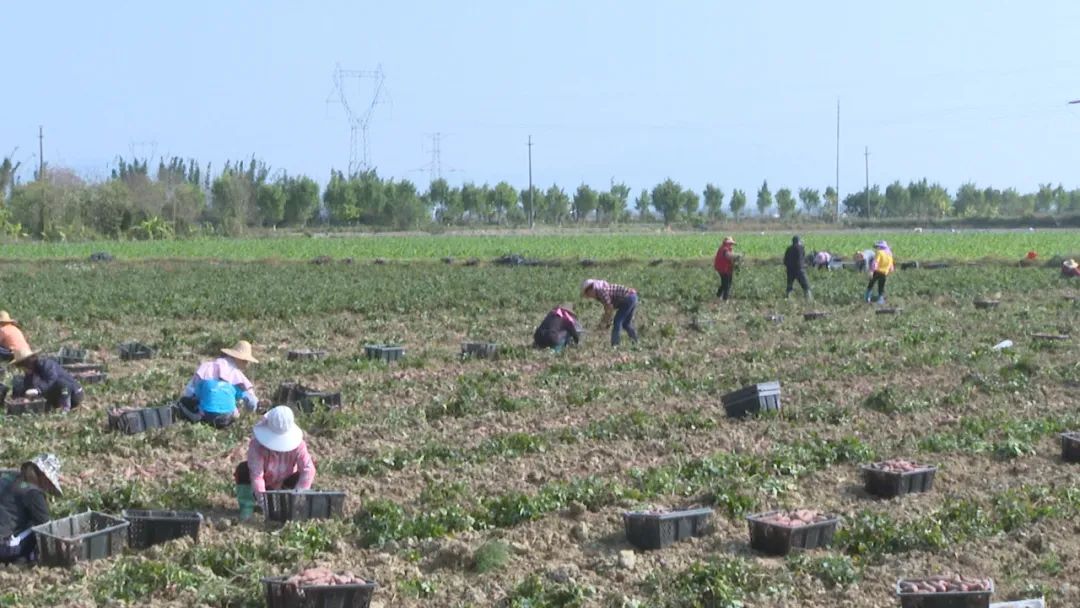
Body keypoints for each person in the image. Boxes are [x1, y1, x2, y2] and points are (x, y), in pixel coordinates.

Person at [234, 406, 315, 519]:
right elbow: (257, 476)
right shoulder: (257, 447)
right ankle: (247, 508)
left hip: (285, 481)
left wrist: (298, 496)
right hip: (262, 485)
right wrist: (265, 505)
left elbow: (308, 470)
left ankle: (289, 504)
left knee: (302, 479)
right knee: (242, 470)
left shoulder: (298, 446)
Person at [179, 340, 260, 428]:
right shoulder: (238, 377)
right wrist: (249, 414)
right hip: (227, 418)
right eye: (245, 361)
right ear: (239, 359)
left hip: (206, 415)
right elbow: (252, 401)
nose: (247, 364)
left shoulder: (206, 367)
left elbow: (190, 391)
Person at [0, 454, 62, 563]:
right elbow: (46, 529)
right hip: (3, 547)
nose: (46, 489)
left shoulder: (6, 475)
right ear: (43, 477)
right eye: (48, 485)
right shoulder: (33, 493)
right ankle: (24, 560)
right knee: (37, 529)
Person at [10, 348, 83, 411]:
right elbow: (28, 385)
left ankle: (65, 408)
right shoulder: (31, 373)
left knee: (61, 383)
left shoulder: (46, 365)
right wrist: (26, 397)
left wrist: (38, 390)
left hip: (73, 394)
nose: (23, 370)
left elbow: (51, 380)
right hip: (56, 396)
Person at [581, 279, 639, 346]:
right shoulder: (599, 292)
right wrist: (606, 321)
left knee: (617, 321)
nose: (589, 297)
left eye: (588, 294)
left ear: (591, 289)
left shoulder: (600, 291)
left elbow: (609, 308)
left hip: (628, 299)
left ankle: (615, 345)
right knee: (626, 323)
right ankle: (635, 341)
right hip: (632, 297)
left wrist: (604, 322)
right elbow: (608, 309)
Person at [713, 236, 736, 301]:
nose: (731, 245)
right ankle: (725, 299)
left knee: (724, 283)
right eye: (730, 243)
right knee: (727, 284)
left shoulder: (724, 248)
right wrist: (736, 257)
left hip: (723, 268)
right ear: (727, 243)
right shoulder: (725, 249)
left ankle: (718, 296)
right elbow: (729, 256)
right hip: (724, 269)